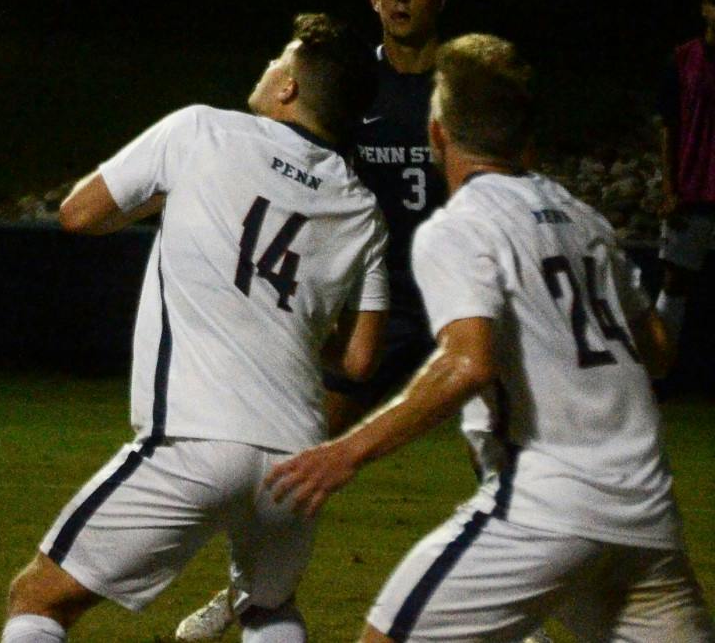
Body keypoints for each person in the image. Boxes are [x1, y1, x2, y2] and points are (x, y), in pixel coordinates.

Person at [264, 35, 714, 642]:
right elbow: (658, 352)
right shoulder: (588, 223)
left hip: (544, 505)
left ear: (438, 135)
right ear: (526, 140)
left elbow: (466, 364)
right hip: (645, 517)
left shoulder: (462, 225)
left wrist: (347, 450)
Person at [0, 14, 389, 643]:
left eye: (276, 60)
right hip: (297, 453)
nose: (266, 68)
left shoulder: (202, 129)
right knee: (268, 607)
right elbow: (362, 358)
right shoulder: (361, 206)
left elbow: (78, 214)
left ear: (288, 86)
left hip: (194, 437)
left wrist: (175, 202)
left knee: (37, 598)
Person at [177, 0, 454, 641]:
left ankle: (527, 610)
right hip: (376, 299)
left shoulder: (461, 84)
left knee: (509, 452)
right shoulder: (350, 83)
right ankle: (249, 594)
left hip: (460, 295)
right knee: (301, 453)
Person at [654, 0, 715, 350]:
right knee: (674, 282)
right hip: (692, 192)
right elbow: (668, 127)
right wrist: (668, 187)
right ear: (706, 9)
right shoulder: (682, 59)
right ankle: (657, 373)